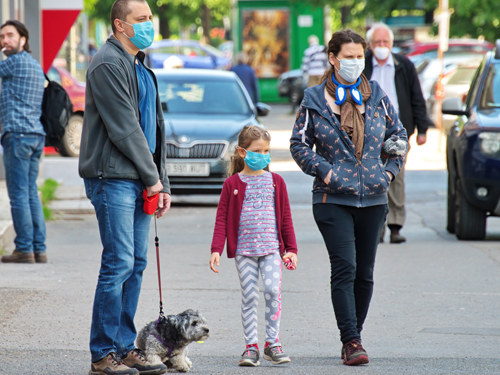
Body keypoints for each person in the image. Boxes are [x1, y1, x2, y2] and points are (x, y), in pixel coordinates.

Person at [290, 29, 408, 366]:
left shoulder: (377, 96)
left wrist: (387, 172)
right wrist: (324, 170)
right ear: (333, 58)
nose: (355, 62)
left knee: (365, 272)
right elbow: (298, 145)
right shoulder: (314, 99)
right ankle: (352, 340)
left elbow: (398, 137)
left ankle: (354, 334)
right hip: (331, 199)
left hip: (373, 197)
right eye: (349, 56)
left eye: (360, 56)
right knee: (345, 267)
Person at [78, 0, 171, 374]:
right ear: (120, 24)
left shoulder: (141, 66)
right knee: (118, 263)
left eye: (150, 17)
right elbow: (124, 129)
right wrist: (152, 179)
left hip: (139, 177)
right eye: (142, 19)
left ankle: (122, 346)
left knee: (135, 264)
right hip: (112, 177)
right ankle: (102, 354)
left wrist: (160, 181)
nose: (150, 24)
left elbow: (157, 130)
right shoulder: (107, 63)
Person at [209, 125, 298, 367]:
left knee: (271, 292)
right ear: (242, 152)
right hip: (244, 252)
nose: (264, 155)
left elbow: (286, 218)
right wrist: (216, 249)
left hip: (271, 250)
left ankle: (272, 343)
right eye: (258, 150)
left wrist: (291, 249)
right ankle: (251, 347)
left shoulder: (276, 182)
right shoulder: (232, 184)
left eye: (267, 150)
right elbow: (222, 218)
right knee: (249, 296)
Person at [363, 23, 433, 243]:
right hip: (367, 131)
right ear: (370, 45)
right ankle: (376, 227)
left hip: (397, 130)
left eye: (385, 42)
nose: (381, 46)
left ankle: (395, 225)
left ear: (392, 44)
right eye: (377, 42)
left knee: (396, 176)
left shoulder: (404, 65)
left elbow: (416, 98)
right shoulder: (362, 64)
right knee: (371, 177)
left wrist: (422, 129)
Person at [0, 20, 47, 264]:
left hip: (17, 135)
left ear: (23, 39)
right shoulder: (34, 65)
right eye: (2, 37)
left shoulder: (14, 63)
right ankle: (38, 248)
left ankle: (24, 248)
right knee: (30, 193)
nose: (4, 41)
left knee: (19, 194)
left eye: (9, 36)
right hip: (35, 135)